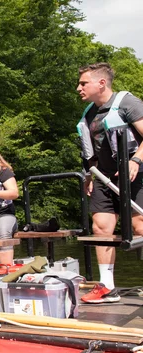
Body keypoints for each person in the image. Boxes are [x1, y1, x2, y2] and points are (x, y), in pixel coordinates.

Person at [76, 62, 143, 303]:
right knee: (101, 228)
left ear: (101, 83)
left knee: (139, 228)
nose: (78, 88)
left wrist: (135, 160)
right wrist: (88, 177)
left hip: (134, 174)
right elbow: (90, 150)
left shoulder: (127, 103)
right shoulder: (90, 114)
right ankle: (107, 287)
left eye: (84, 83)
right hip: (103, 178)